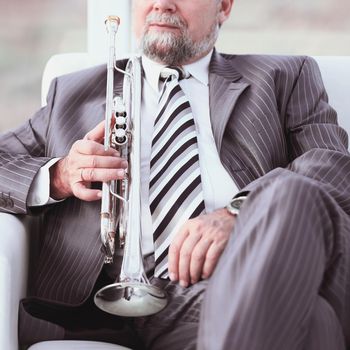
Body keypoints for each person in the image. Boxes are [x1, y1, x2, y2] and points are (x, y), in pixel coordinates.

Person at [1, 0, 350, 349]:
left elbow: (333, 164)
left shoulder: (284, 76)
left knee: (292, 193)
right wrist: (60, 175)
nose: (162, 3)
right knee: (315, 322)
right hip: (114, 310)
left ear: (224, 7)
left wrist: (242, 212)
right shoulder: (72, 94)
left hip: (242, 276)